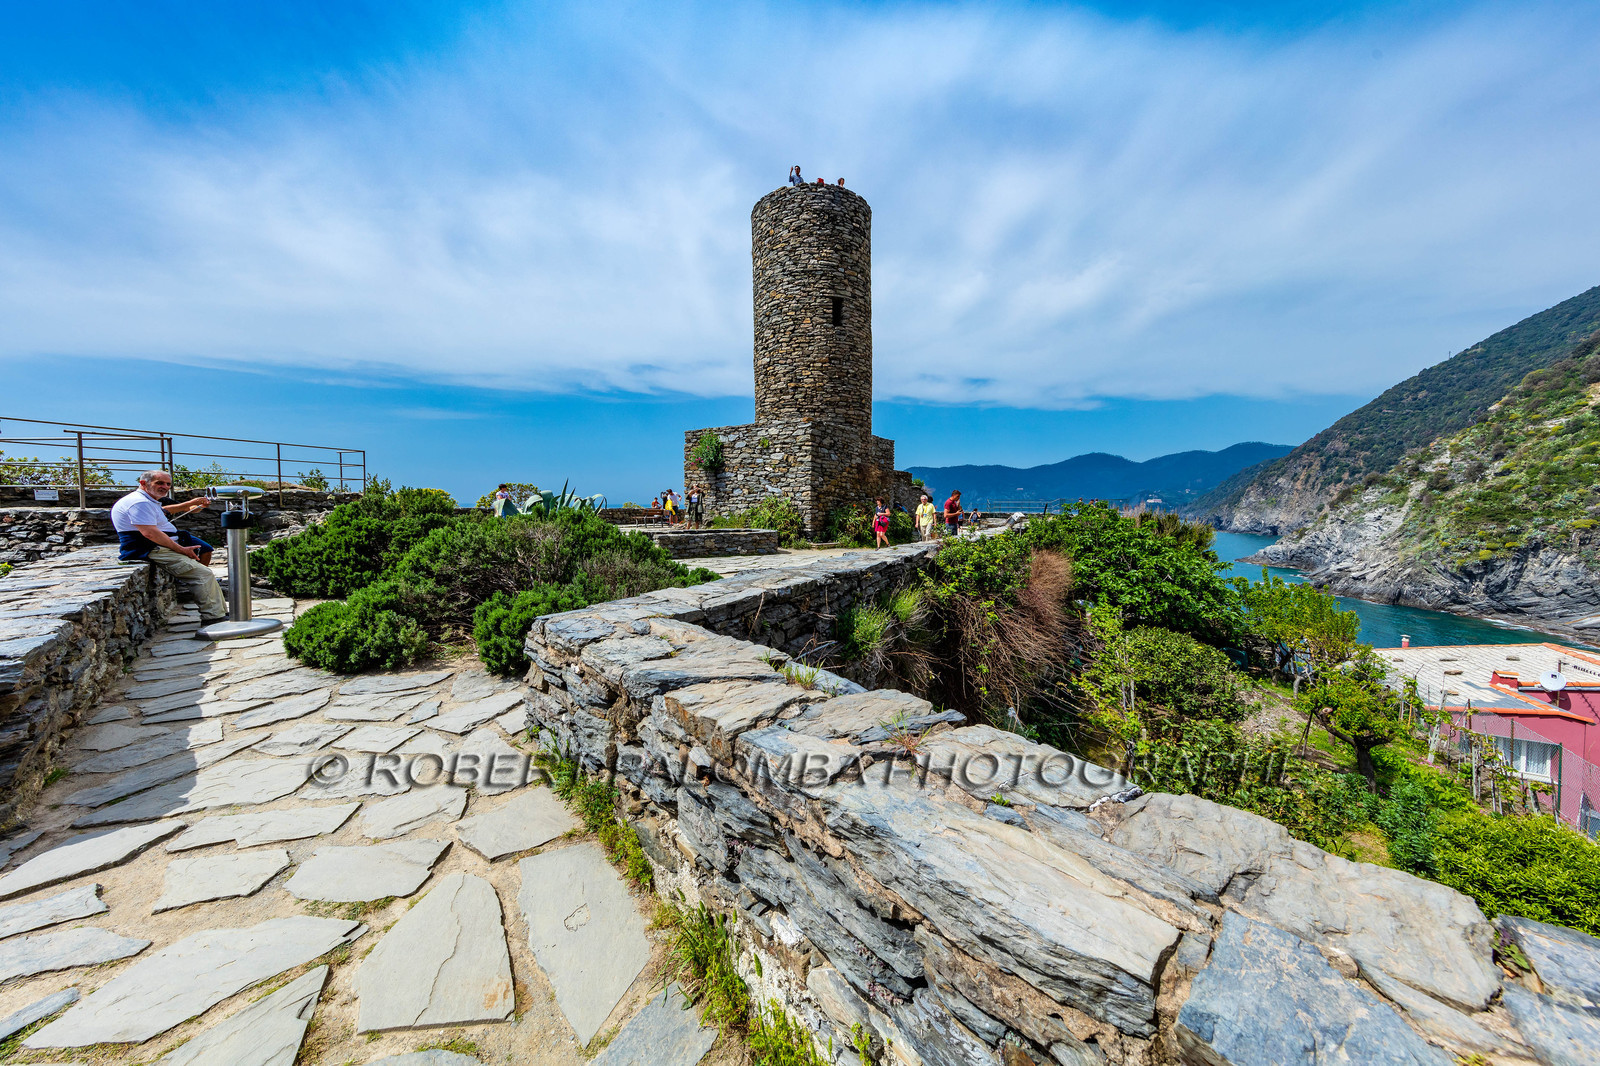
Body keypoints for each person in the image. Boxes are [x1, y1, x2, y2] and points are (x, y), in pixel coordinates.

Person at [111, 470, 226, 624]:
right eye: (159, 483)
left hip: (160, 544)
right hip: (149, 547)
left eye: (168, 484)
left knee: (204, 554)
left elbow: (166, 511)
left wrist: (191, 504)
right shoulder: (139, 503)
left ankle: (218, 611)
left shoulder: (147, 500)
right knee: (202, 574)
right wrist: (181, 550)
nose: (165, 487)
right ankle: (213, 617)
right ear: (143, 483)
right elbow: (150, 533)